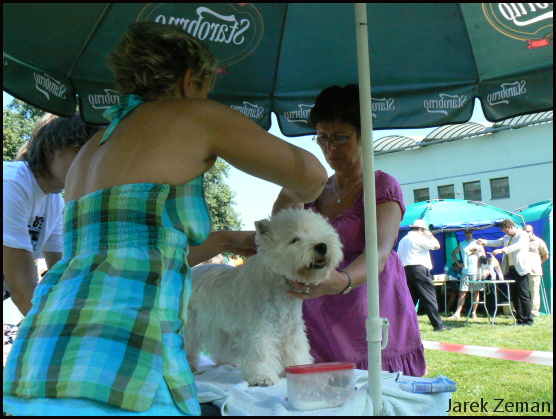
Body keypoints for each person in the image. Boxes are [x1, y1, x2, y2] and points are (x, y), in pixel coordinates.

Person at [3, 22, 327, 417]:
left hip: (46, 351)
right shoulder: (192, 115)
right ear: (191, 80)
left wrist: (223, 239)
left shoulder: (93, 146)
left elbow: (127, 257)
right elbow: (311, 177)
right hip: (129, 360)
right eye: (208, 90)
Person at [272, 84, 426, 377]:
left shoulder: (381, 186)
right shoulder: (313, 190)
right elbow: (278, 235)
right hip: (320, 318)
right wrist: (292, 184)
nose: (331, 148)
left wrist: (341, 280)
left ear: (363, 134)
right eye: (323, 138)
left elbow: (380, 252)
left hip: (371, 309)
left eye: (341, 137)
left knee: (377, 396)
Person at [3, 113, 100, 316]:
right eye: (81, 148)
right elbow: (22, 289)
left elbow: (62, 273)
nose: (89, 160)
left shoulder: (53, 201)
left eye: (96, 151)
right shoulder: (11, 183)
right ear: (51, 147)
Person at [477, 219, 533, 326]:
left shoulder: (523, 235)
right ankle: (520, 320)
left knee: (524, 295)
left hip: (521, 269)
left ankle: (528, 320)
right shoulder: (507, 237)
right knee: (514, 295)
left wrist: (502, 250)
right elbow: (498, 242)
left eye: (506, 231)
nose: (505, 234)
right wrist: (485, 242)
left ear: (511, 227)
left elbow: (517, 246)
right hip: (511, 268)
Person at [398, 219, 451, 332]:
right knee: (429, 298)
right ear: (421, 229)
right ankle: (438, 325)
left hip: (406, 270)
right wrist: (430, 236)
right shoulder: (419, 238)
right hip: (420, 270)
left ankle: (403, 326)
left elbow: (399, 257)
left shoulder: (403, 239)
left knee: (410, 300)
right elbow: (437, 246)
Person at [449, 229, 486, 319]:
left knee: (476, 292)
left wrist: (483, 269)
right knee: (462, 292)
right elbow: (453, 254)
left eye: (470, 232)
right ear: (464, 234)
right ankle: (457, 313)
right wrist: (459, 264)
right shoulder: (462, 244)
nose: (468, 234)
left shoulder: (477, 243)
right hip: (465, 271)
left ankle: (474, 313)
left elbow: (484, 257)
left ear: (472, 233)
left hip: (476, 271)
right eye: (466, 233)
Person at [525, 224, 550, 317]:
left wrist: (538, 263)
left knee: (534, 291)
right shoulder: (521, 241)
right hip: (522, 271)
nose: (526, 233)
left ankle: (534, 312)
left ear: (532, 231)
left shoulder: (539, 241)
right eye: (525, 231)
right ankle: (525, 311)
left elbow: (546, 255)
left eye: (528, 231)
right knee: (523, 292)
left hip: (534, 271)